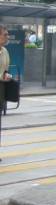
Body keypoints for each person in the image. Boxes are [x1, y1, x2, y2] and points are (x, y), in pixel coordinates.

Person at [0, 25, 10, 162]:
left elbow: (5, 68)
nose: (7, 37)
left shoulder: (5, 51)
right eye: (5, 34)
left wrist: (7, 75)